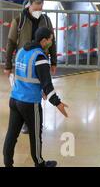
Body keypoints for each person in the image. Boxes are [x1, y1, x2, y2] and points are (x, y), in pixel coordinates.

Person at [3, 27, 68, 167]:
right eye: (51, 39)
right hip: (30, 103)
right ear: (44, 41)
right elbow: (47, 85)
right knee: (35, 135)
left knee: (11, 134)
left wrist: (41, 89)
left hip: (14, 98)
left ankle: (8, 163)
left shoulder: (22, 51)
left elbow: (27, 74)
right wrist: (58, 103)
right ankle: (40, 163)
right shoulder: (40, 57)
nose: (52, 42)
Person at [4, 0, 57, 80]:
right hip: (23, 61)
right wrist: (8, 66)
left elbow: (52, 42)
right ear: (29, 6)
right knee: (23, 85)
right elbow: (11, 43)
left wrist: (54, 62)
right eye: (35, 9)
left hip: (41, 60)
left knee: (42, 86)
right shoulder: (19, 21)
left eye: (40, 9)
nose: (38, 12)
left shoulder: (46, 21)